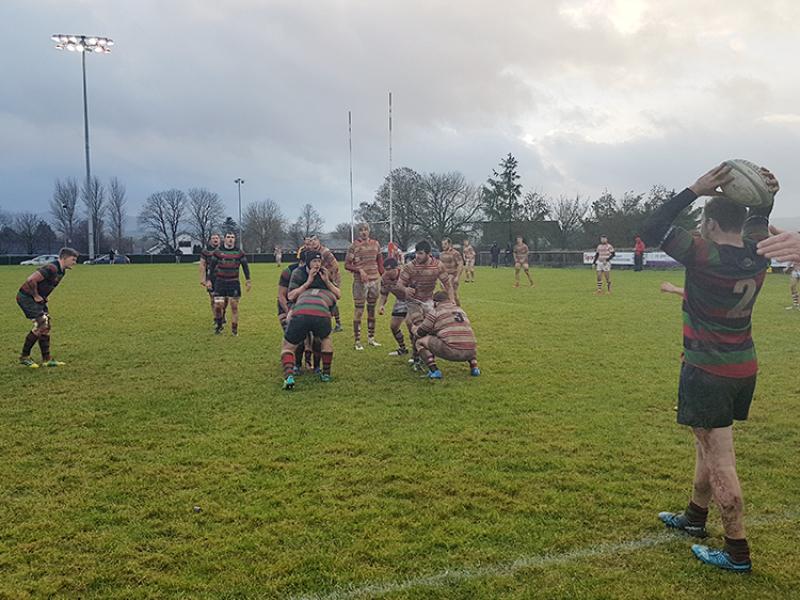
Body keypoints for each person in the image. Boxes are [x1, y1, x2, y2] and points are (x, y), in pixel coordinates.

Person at [642, 163, 779, 573]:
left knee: (721, 460)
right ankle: (694, 518)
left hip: (707, 370)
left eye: (702, 219)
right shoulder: (757, 252)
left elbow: (652, 227)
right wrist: (766, 197)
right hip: (742, 367)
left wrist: (694, 188)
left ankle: (737, 553)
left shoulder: (704, 254)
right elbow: (758, 221)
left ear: (710, 221)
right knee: (708, 444)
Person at [281, 251, 341, 389]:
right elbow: (290, 296)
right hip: (309, 310)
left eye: (319, 261)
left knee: (289, 344)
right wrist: (308, 282)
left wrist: (326, 281)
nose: (317, 264)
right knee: (324, 339)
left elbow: (338, 294)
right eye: (314, 261)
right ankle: (308, 371)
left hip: (306, 311)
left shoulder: (324, 273)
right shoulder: (298, 273)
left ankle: (293, 374)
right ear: (307, 263)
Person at [16, 247, 79, 368]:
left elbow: (46, 285)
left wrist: (43, 296)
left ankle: (47, 359)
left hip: (38, 298)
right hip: (26, 297)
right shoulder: (51, 268)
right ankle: (24, 357)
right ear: (64, 258)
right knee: (41, 324)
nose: (74, 262)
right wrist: (36, 295)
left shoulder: (62, 271)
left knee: (46, 325)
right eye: (73, 259)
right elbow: (31, 279)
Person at [413, 291, 480, 379]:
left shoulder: (435, 312)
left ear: (435, 302)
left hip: (452, 351)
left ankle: (435, 371)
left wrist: (414, 328)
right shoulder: (460, 310)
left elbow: (420, 333)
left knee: (420, 342)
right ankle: (474, 368)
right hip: (472, 352)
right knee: (466, 339)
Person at [345, 223, 384, 350]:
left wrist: (383, 276)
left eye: (366, 230)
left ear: (369, 231)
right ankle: (357, 341)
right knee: (359, 310)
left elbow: (379, 262)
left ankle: (371, 338)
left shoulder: (376, 244)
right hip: (360, 283)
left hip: (374, 281)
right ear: (358, 232)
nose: (363, 232)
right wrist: (359, 270)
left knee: (372, 310)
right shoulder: (354, 246)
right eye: (361, 230)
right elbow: (347, 264)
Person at [208, 232, 251, 335]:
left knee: (234, 306)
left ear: (235, 239)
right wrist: (209, 280)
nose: (230, 239)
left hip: (234, 283)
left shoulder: (239, 252)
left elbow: (245, 267)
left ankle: (234, 329)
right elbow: (211, 267)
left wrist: (248, 280)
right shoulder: (218, 252)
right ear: (225, 239)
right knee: (218, 305)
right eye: (228, 237)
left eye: (232, 237)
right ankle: (219, 325)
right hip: (220, 283)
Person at [305, 235, 344, 332]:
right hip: (322, 278)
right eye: (311, 240)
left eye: (315, 240)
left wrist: (329, 277)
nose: (313, 242)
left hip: (331, 278)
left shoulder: (325, 252)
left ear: (318, 241)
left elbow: (335, 265)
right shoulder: (311, 252)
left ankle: (337, 323)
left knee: (332, 300)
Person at [378, 257, 412, 356]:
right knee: (394, 326)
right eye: (385, 269)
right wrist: (381, 306)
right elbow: (384, 294)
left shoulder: (405, 275)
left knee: (411, 326)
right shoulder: (384, 278)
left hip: (413, 300)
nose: (387, 272)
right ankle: (403, 349)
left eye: (389, 269)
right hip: (400, 301)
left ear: (396, 268)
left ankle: (417, 354)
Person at [200, 233, 224, 325]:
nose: (215, 240)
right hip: (211, 278)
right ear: (210, 240)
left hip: (223, 277)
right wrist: (202, 278)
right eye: (213, 238)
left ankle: (222, 314)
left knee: (222, 300)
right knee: (213, 299)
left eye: (217, 238)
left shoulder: (224, 250)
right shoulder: (206, 251)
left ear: (219, 240)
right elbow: (202, 264)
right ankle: (216, 318)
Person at [439, 238, 464, 305]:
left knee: (451, 294)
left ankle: (456, 309)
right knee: (447, 294)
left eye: (445, 244)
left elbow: (460, 264)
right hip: (444, 277)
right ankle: (454, 308)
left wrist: (457, 277)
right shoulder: (442, 254)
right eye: (442, 244)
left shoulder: (455, 253)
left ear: (449, 244)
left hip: (452, 275)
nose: (443, 246)